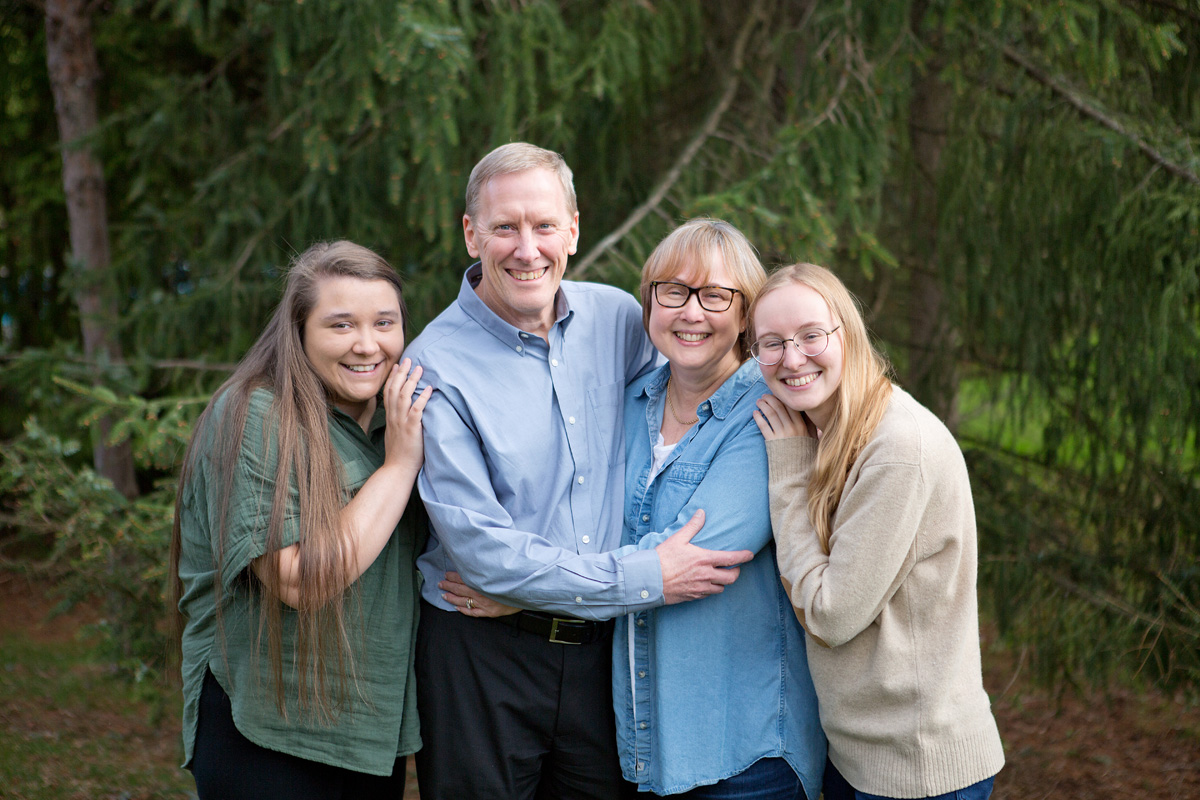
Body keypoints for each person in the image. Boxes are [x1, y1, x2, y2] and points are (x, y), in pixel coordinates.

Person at [404, 143, 754, 800]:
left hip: (603, 655)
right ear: (471, 234)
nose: (526, 249)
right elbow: (482, 555)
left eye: (544, 225)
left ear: (572, 229)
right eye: (505, 227)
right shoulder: (434, 365)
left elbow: (672, 440)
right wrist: (645, 576)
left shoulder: (618, 319)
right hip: (483, 652)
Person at [170, 240, 431, 799]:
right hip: (267, 733)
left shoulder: (396, 418)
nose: (368, 344)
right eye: (341, 325)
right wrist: (400, 466)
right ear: (298, 332)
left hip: (371, 734)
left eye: (384, 322)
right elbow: (300, 581)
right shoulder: (253, 414)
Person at [749, 263, 1005, 800]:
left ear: (847, 331)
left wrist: (789, 472)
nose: (792, 359)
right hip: (856, 758)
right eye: (771, 343)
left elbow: (831, 615)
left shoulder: (896, 448)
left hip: (918, 766)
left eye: (811, 335)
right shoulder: (832, 431)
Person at [614, 219, 825, 798]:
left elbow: (699, 552)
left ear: (746, 313)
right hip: (643, 747)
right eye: (673, 291)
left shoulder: (770, 412)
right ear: (650, 300)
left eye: (715, 295)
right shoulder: (630, 403)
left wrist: (534, 583)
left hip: (743, 754)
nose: (691, 312)